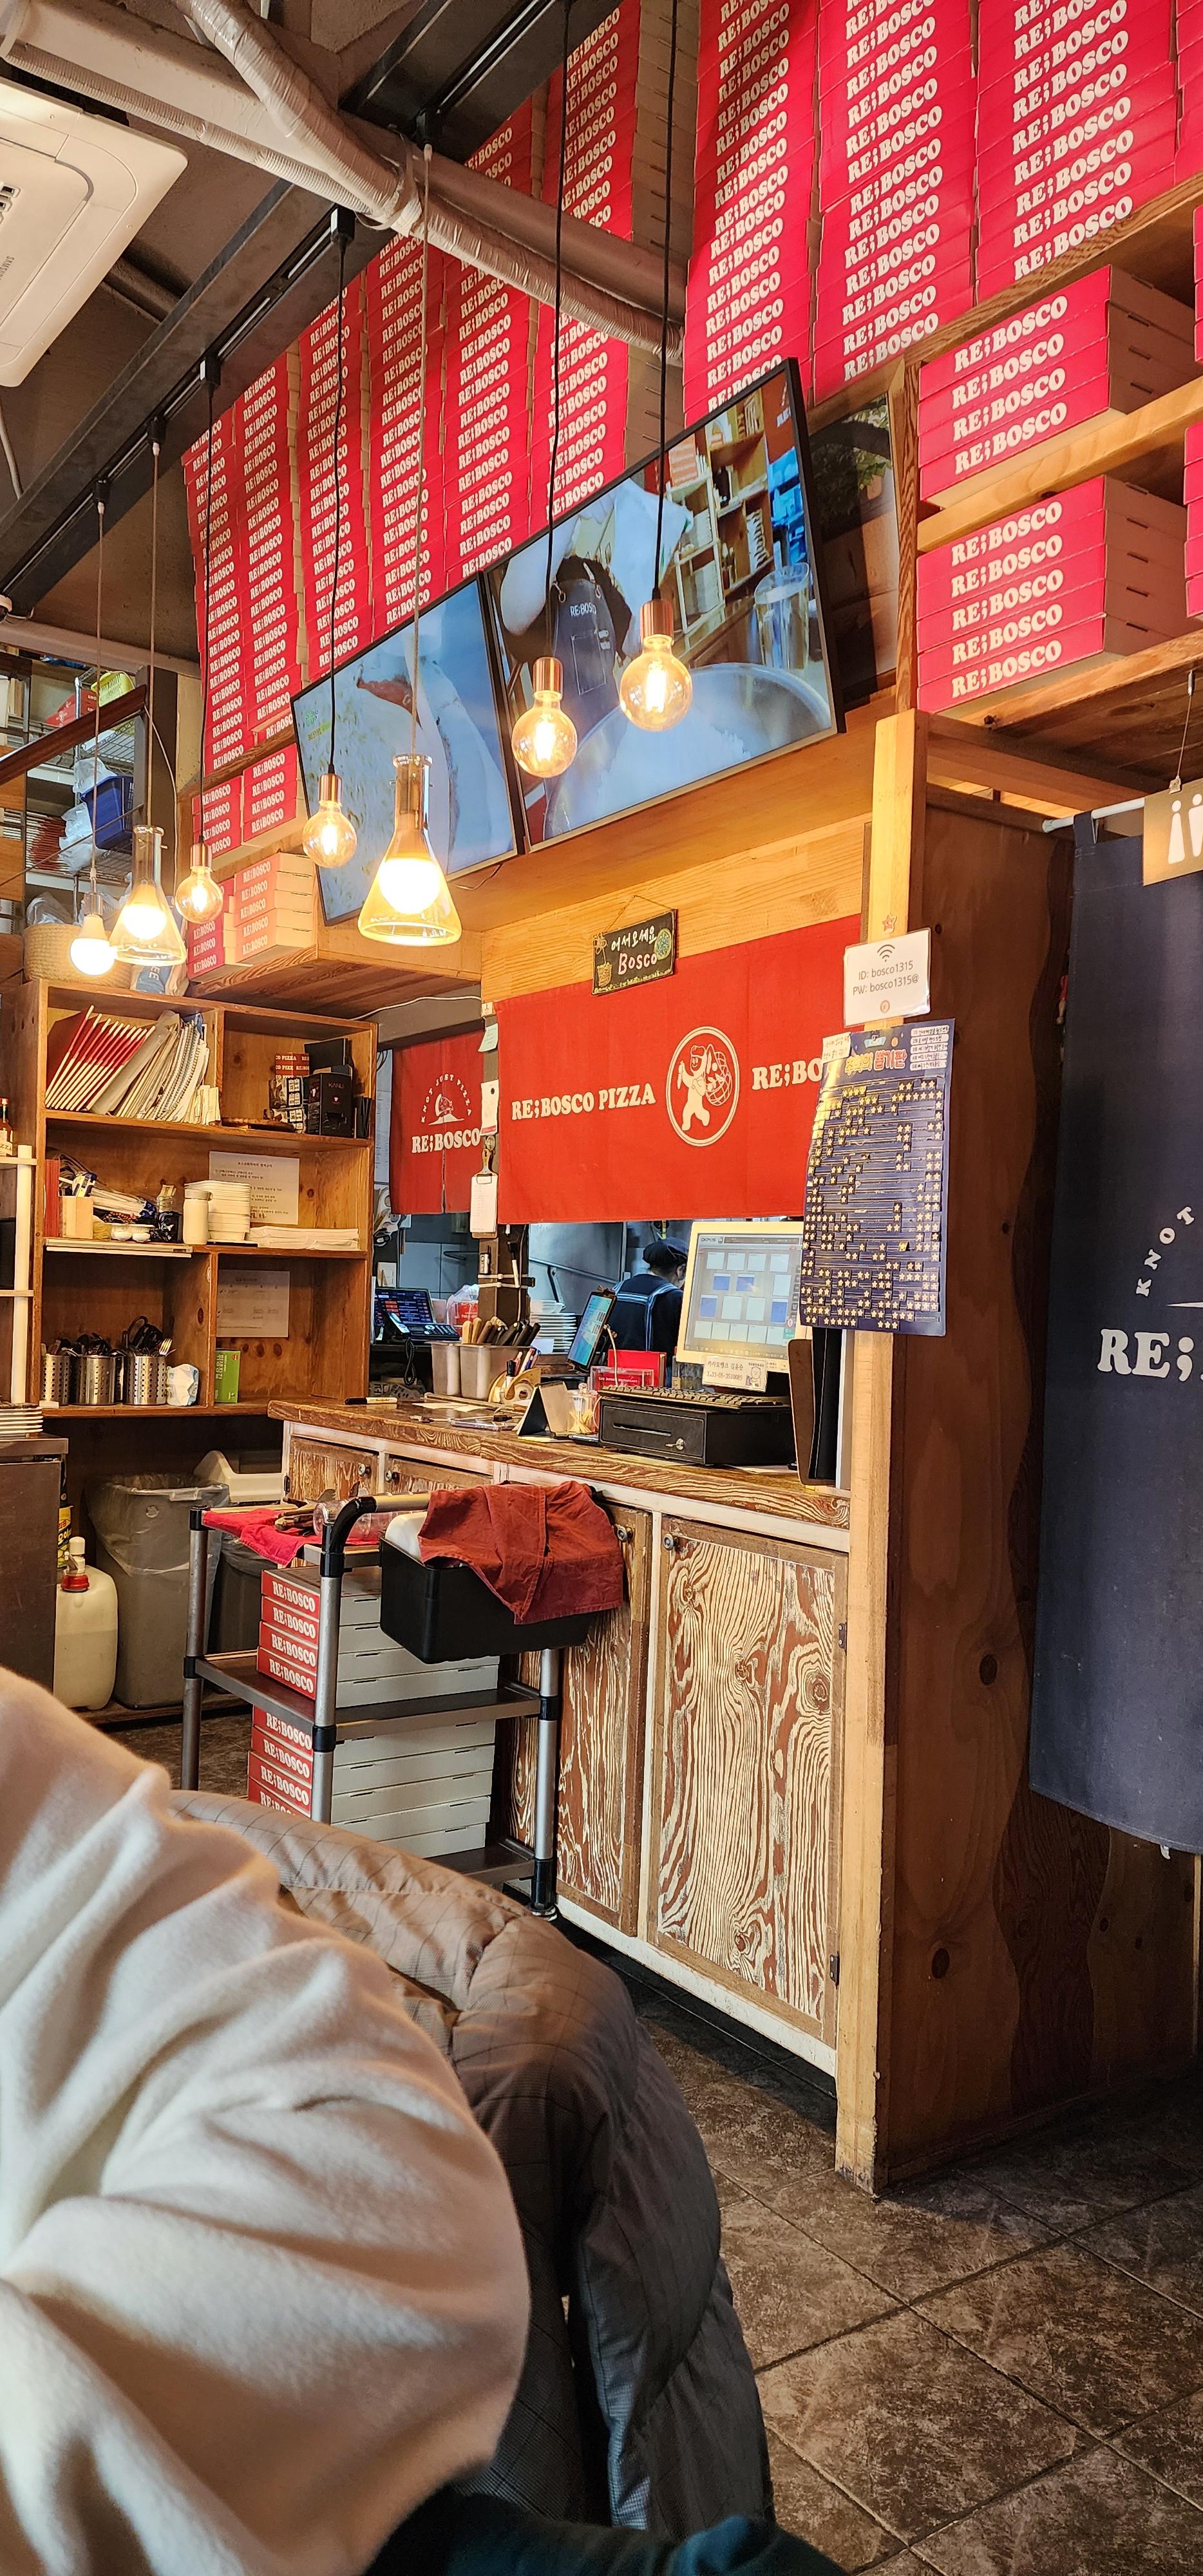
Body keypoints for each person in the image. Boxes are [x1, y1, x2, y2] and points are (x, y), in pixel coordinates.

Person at [611, 1238, 689, 1357]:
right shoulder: (675, 1298)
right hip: (655, 1368)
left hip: (612, 1366)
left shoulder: (617, 1289)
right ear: (680, 1270)